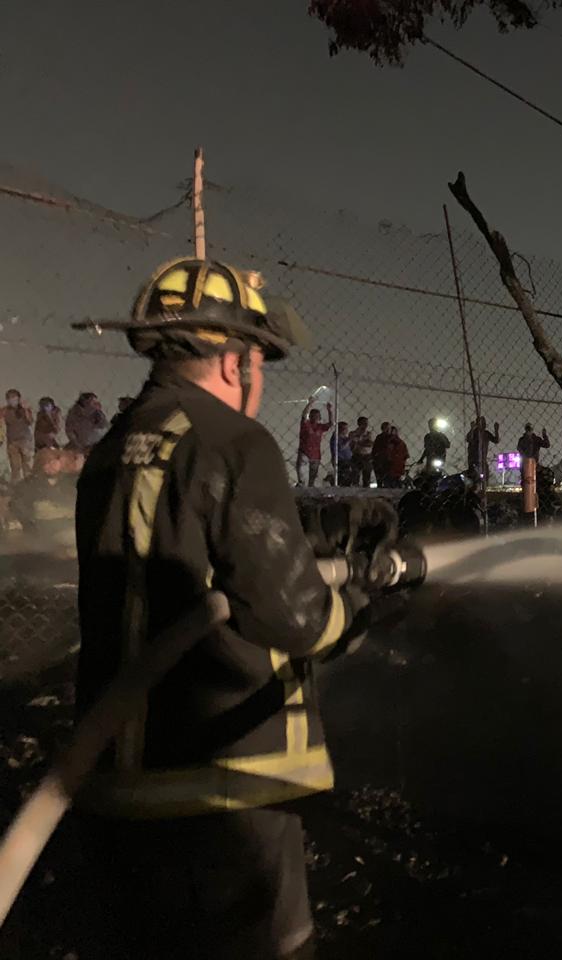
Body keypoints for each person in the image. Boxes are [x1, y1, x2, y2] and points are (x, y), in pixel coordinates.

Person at [70, 257, 370, 960]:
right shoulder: (235, 441)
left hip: (118, 788)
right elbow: (295, 619)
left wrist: (303, 539)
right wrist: (355, 604)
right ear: (234, 362)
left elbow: (190, 545)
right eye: (259, 362)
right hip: (225, 794)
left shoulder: (112, 451)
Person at [296, 401, 332, 487]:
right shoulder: (306, 424)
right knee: (302, 478)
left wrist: (329, 411)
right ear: (310, 416)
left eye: (317, 416)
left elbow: (330, 424)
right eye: (313, 415)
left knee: (312, 480)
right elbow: (304, 416)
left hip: (315, 455)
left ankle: (309, 495)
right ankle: (302, 493)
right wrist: (309, 404)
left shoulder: (320, 427)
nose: (315, 417)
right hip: (305, 453)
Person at [3, 388, 34, 482]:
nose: (12, 400)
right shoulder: (4, 411)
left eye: (14, 398)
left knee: (27, 465)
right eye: (10, 398)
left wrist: (25, 410)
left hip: (25, 440)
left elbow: (30, 421)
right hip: (12, 442)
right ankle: (16, 488)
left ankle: (29, 486)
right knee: (15, 466)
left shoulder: (24, 409)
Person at [465, 416, 499, 484]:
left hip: (483, 459)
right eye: (482, 422)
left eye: (484, 422)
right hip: (473, 459)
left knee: (485, 476)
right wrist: (472, 429)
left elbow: (496, 440)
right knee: (474, 477)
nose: (484, 424)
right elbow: (468, 439)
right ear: (477, 424)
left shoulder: (486, 433)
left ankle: (484, 489)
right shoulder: (474, 432)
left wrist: (496, 430)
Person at [350, 415, 375, 487]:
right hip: (357, 455)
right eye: (364, 423)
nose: (366, 425)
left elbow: (370, 444)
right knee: (355, 475)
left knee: (367, 476)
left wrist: (358, 441)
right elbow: (351, 444)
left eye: (367, 423)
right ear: (359, 424)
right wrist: (362, 440)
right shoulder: (353, 433)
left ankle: (366, 492)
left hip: (367, 456)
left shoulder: (369, 433)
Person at [371, 421, 393, 487]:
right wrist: (373, 457)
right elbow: (375, 448)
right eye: (386, 428)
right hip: (380, 460)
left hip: (389, 460)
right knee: (379, 477)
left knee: (388, 477)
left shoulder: (393, 437)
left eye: (389, 428)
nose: (387, 430)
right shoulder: (379, 437)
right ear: (382, 429)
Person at [331, 421, 354, 485]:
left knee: (349, 475)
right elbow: (340, 448)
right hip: (340, 460)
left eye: (347, 428)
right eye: (345, 429)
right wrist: (349, 440)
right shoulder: (336, 438)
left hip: (348, 459)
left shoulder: (345, 438)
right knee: (343, 476)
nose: (347, 430)